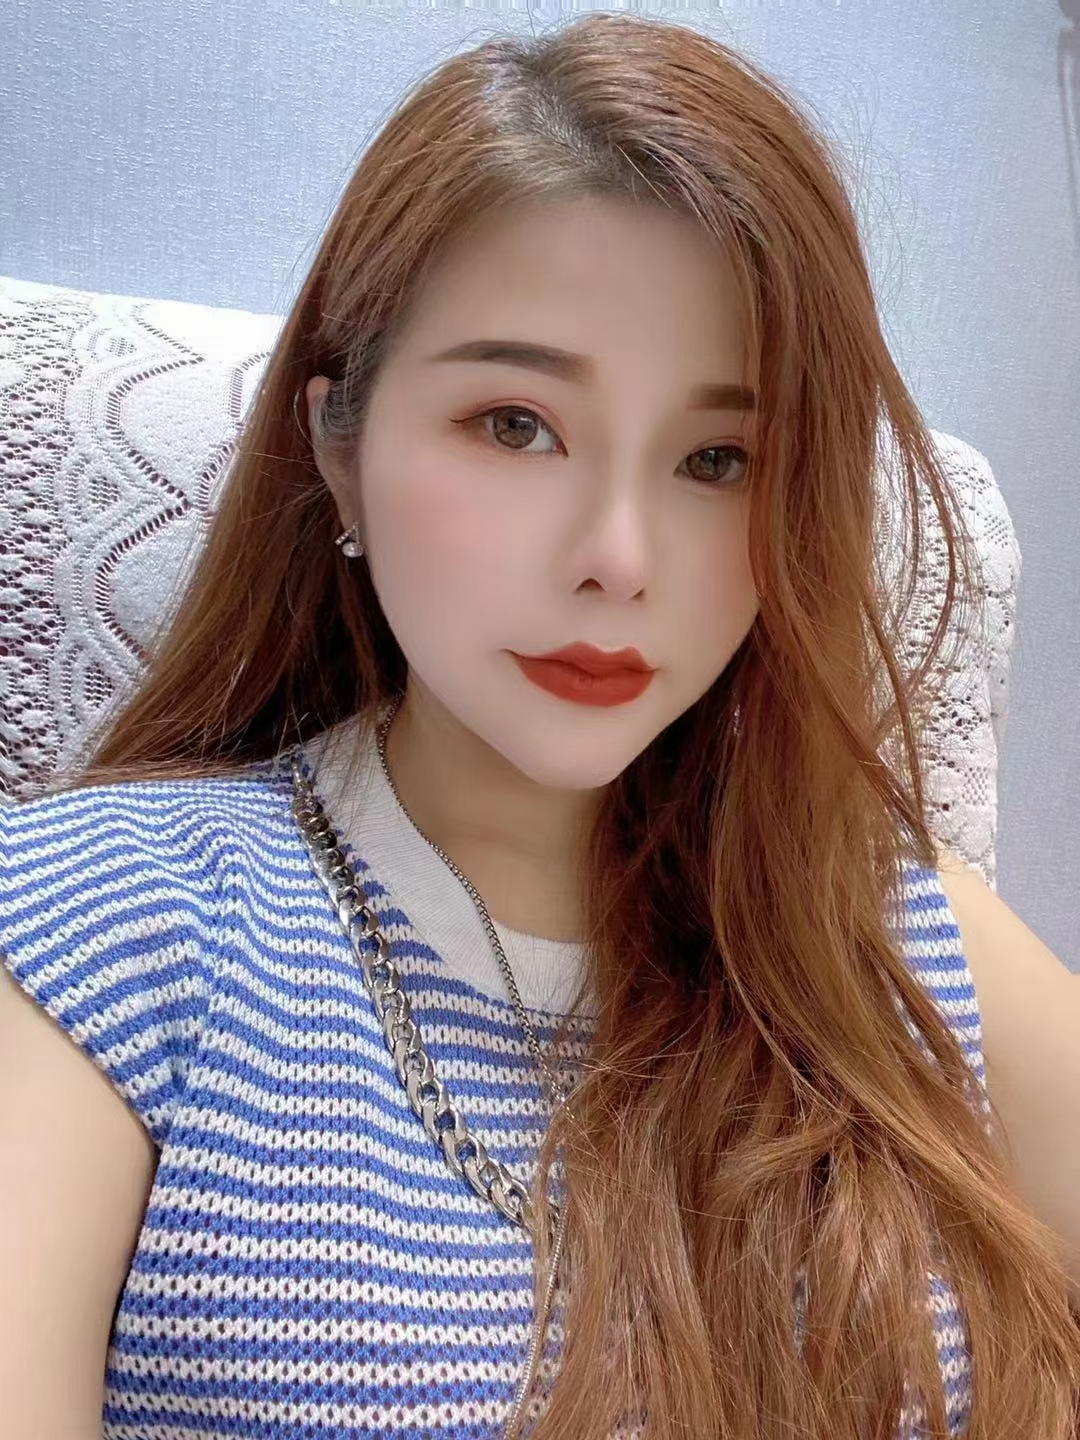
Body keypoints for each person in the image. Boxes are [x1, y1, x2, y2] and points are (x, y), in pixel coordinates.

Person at [1, 12, 1077, 1439]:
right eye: (515, 424)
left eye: (718, 459)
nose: (618, 559)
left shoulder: (887, 933)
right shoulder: (102, 931)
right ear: (339, 444)